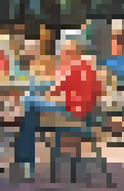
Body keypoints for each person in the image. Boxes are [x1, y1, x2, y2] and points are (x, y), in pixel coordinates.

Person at [13, 37, 102, 181]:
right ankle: (24, 161)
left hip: (70, 115)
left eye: (63, 51)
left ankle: (24, 161)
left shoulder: (71, 67)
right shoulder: (89, 67)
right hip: (85, 117)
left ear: (71, 51)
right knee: (29, 113)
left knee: (28, 105)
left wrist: (40, 92)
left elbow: (53, 91)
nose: (61, 54)